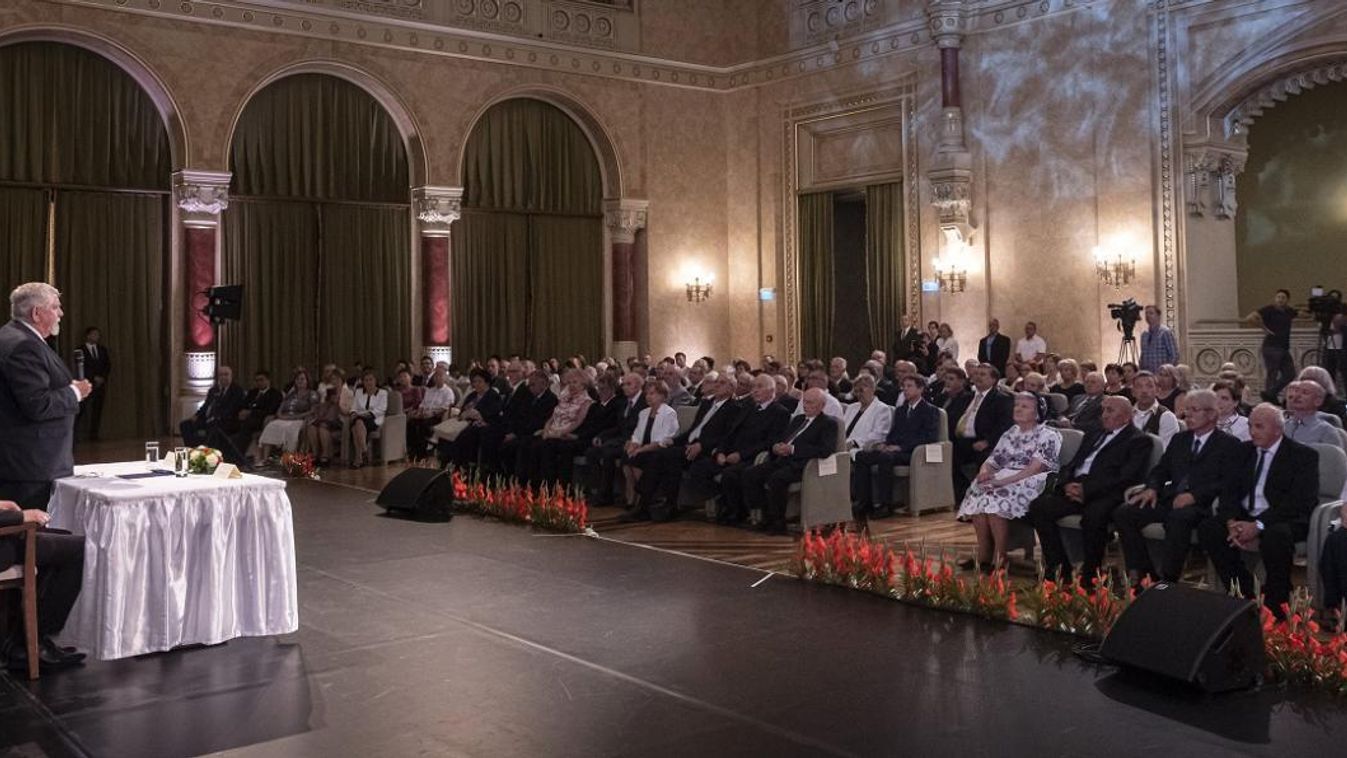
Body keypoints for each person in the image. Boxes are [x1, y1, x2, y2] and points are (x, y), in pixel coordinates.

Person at [0, 283, 90, 670]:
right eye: (56, 307)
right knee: (42, 552)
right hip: (28, 467)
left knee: (40, 549)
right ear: (37, 313)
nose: (60, 314)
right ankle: (30, 643)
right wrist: (74, 393)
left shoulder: (14, 338)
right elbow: (36, 405)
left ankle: (21, 639)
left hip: (27, 463)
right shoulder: (21, 346)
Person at [1199, 404, 1319, 616]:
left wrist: (1258, 525)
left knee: (1276, 536)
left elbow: (1297, 502)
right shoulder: (1241, 451)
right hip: (1245, 514)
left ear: (1277, 430)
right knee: (1210, 528)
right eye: (1251, 426)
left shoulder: (1302, 456)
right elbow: (1229, 491)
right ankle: (1245, 593)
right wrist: (1231, 521)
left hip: (1282, 518)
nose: (1253, 432)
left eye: (1259, 427)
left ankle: (1276, 602)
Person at [1112, 389, 1242, 583]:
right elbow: (1161, 469)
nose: (1187, 415)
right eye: (1187, 410)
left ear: (1211, 414)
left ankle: (1168, 581)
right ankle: (1146, 575)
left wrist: (1195, 496)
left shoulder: (1229, 444)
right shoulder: (1180, 439)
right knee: (1124, 512)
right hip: (1171, 497)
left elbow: (1227, 482)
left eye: (1194, 410)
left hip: (1202, 505)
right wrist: (1152, 487)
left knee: (1178, 518)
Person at [1029, 396, 1151, 585]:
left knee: (1094, 515)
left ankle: (1091, 574)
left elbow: (1126, 477)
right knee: (1040, 506)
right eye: (1104, 410)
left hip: (1107, 492)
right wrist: (1066, 484)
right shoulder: (1094, 433)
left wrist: (1087, 490)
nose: (1104, 415)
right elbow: (1073, 464)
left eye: (1110, 411)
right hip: (1076, 487)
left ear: (1127, 417)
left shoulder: (1139, 440)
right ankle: (1059, 568)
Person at [957, 393, 1061, 571]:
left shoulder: (1049, 435)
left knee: (996, 495)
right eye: (1017, 405)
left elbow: (1034, 468)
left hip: (1031, 479)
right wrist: (984, 472)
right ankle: (984, 554)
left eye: (1025, 406)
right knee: (978, 489)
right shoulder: (1011, 432)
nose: (1018, 409)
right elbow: (993, 460)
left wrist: (1002, 481)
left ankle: (1000, 557)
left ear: (1038, 412)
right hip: (1006, 476)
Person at [734, 388, 840, 535]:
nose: (805, 405)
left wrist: (793, 449)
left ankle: (778, 522)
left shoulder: (828, 423)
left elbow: (825, 450)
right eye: (804, 402)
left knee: (776, 479)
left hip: (804, 465)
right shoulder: (798, 419)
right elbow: (783, 438)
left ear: (822, 405)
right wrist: (777, 447)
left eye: (810, 403)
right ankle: (764, 515)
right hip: (782, 460)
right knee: (750, 474)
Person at [637, 372, 742, 519]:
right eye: (716, 382)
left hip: (707, 450)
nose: (717, 385)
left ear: (731, 388)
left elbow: (726, 436)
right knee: (659, 455)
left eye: (722, 383)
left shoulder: (734, 408)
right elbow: (693, 430)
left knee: (667, 456)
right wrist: (674, 440)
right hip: (689, 446)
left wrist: (702, 445)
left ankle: (659, 504)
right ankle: (650, 503)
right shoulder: (706, 404)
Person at [851, 375, 939, 521]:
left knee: (885, 458)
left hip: (913, 452)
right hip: (894, 450)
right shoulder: (901, 410)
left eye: (909, 386)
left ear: (920, 389)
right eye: (904, 386)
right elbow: (894, 433)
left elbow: (929, 437)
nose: (905, 390)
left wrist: (900, 447)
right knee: (861, 456)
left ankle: (886, 504)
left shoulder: (930, 410)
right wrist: (885, 444)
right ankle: (864, 502)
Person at [712, 374, 792, 525]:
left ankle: (738, 511)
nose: (754, 390)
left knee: (731, 473)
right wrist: (721, 451)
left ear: (772, 390)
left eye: (759, 387)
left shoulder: (780, 412)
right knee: (704, 466)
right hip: (732, 453)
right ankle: (723, 506)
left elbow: (770, 442)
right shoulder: (748, 408)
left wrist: (741, 455)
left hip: (753, 457)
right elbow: (731, 432)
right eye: (754, 387)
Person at [517, 369, 593, 486]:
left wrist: (558, 433)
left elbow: (577, 422)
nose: (571, 385)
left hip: (568, 434)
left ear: (583, 385)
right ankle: (528, 483)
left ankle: (553, 486)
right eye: (570, 382)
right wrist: (546, 429)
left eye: (575, 382)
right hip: (554, 431)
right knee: (529, 442)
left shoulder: (586, 401)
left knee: (547, 446)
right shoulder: (565, 397)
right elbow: (552, 417)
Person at [949, 364, 1015, 498]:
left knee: (983, 458)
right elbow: (951, 420)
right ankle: (955, 497)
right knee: (938, 456)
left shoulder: (1002, 399)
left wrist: (988, 441)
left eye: (983, 374)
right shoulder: (965, 398)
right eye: (976, 374)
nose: (978, 377)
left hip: (984, 442)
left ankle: (978, 497)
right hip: (959, 441)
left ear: (994, 379)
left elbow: (1006, 426)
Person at [619, 380, 680, 521]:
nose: (648, 397)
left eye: (652, 394)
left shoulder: (669, 413)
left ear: (662, 396)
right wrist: (633, 445)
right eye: (647, 394)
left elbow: (664, 439)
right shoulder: (644, 413)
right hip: (643, 448)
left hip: (659, 451)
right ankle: (635, 500)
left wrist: (641, 450)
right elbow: (637, 434)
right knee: (627, 458)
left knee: (640, 459)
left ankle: (645, 501)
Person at [585, 372, 646, 506]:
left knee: (608, 452)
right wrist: (602, 436)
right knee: (592, 452)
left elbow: (642, 427)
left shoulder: (644, 402)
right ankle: (595, 491)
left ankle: (606, 495)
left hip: (636, 441)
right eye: (623, 384)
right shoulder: (625, 403)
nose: (624, 387)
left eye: (628, 384)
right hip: (621, 439)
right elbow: (619, 426)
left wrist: (630, 441)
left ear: (638, 386)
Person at [256, 368, 320, 466]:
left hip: (300, 419)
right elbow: (280, 409)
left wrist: (295, 417)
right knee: (271, 426)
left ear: (307, 381)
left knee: (291, 429)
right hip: (285, 418)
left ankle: (289, 459)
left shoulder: (312, 394)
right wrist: (281, 416)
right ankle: (265, 458)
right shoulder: (291, 394)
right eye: (297, 379)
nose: (300, 381)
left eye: (302, 379)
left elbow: (312, 411)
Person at [1245, 289, 1299, 401]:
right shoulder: (1269, 309)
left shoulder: (1289, 311)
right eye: (1278, 297)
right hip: (1271, 346)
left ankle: (1270, 393)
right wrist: (1264, 328)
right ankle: (1269, 399)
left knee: (1290, 373)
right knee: (1272, 374)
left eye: (1283, 297)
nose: (1280, 300)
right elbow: (1250, 317)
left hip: (1284, 347)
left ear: (1287, 300)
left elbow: (1302, 314)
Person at [224, 370, 283, 464]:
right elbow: (243, 404)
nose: (259, 382)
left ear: (268, 380)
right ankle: (226, 454)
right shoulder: (253, 392)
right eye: (257, 380)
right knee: (230, 423)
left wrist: (251, 412)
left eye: (261, 380)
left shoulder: (275, 394)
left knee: (246, 427)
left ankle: (237, 457)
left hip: (261, 419)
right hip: (246, 418)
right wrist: (242, 411)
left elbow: (270, 410)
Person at [180, 366, 246, 448]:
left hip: (226, 420)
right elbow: (205, 406)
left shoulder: (237, 390)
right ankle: (194, 449)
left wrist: (216, 417)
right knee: (185, 425)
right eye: (221, 375)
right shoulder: (213, 390)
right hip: (208, 419)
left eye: (226, 374)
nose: (223, 377)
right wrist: (196, 415)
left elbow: (232, 409)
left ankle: (210, 450)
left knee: (213, 427)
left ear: (231, 376)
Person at [1283, 381, 1345, 451]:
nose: (1297, 395)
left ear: (1318, 401)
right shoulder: (1282, 426)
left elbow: (1335, 457)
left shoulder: (1326, 431)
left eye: (1305, 392)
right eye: (1296, 391)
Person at [1130, 371, 1180, 449]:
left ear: (1157, 390)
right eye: (1139, 386)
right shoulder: (1125, 415)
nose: (1144, 391)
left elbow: (1165, 450)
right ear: (1133, 392)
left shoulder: (1166, 416)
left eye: (1149, 386)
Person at [77, 325, 110, 441]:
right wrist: (93, 377)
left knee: (97, 410)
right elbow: (81, 367)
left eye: (98, 335)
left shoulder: (102, 349)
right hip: (87, 384)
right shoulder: (80, 350)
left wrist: (102, 377)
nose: (96, 336)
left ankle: (94, 435)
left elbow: (107, 365)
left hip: (100, 385)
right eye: (94, 334)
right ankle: (75, 434)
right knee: (81, 410)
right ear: (88, 335)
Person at [349, 371, 389, 468]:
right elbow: (354, 407)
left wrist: (367, 414)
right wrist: (353, 413)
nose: (368, 382)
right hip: (359, 418)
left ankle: (359, 457)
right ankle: (363, 453)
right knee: (356, 424)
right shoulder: (359, 392)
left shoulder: (382, 393)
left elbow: (382, 409)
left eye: (371, 379)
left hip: (374, 419)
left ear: (375, 381)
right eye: (366, 380)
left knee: (356, 425)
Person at [1139, 305, 1179, 373]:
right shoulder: (1144, 335)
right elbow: (1143, 355)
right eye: (1146, 313)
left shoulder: (1165, 332)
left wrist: (1166, 371)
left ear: (1158, 316)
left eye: (1151, 313)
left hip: (1162, 374)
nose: (1148, 316)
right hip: (1148, 374)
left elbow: (1174, 355)